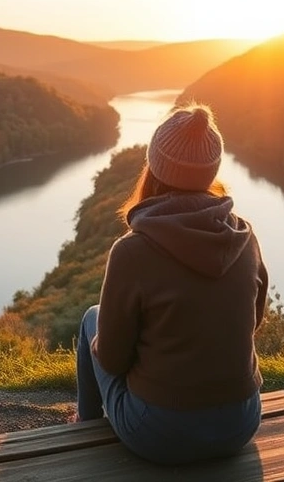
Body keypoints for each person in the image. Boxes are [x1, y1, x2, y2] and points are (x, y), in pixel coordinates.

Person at [75, 103, 270, 465]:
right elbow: (251, 324)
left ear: (154, 166)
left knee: (91, 319)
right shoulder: (245, 237)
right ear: (212, 169)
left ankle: (84, 424)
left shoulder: (132, 251)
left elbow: (114, 360)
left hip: (161, 435)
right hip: (240, 423)